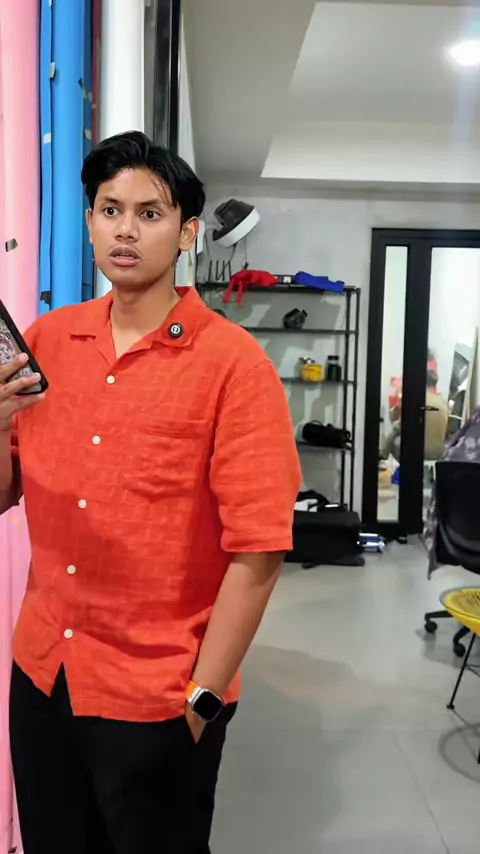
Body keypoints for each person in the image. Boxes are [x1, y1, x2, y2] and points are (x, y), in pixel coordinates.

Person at [0, 131, 301, 854]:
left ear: (187, 232)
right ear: (90, 223)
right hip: (43, 678)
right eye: (110, 210)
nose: (125, 230)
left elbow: (258, 549)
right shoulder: (48, 341)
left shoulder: (234, 367)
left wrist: (203, 700)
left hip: (160, 698)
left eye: (150, 213)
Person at [382, 369, 449, 463]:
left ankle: (383, 455)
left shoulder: (413, 398)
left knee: (396, 439)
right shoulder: (443, 403)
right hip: (438, 453)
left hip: (417, 451)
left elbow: (400, 423)